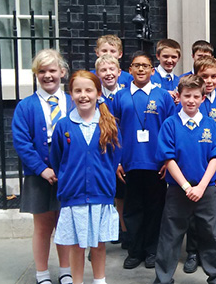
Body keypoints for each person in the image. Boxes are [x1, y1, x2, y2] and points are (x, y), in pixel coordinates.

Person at [153, 75, 216, 284]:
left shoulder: (210, 124)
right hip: (178, 190)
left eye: (196, 96)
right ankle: (163, 277)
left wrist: (201, 187)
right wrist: (186, 187)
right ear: (179, 96)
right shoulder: (170, 124)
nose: (191, 100)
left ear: (203, 98)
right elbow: (168, 158)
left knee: (210, 233)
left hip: (206, 190)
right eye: (187, 96)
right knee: (170, 234)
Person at [50, 71, 122, 284]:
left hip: (101, 193)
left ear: (98, 93)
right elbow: (57, 159)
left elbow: (115, 157)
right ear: (70, 94)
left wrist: (105, 179)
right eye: (78, 90)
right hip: (74, 195)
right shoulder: (64, 126)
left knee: (98, 244)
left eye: (89, 90)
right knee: (77, 245)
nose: (83, 95)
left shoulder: (108, 124)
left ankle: (100, 280)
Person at [12, 49, 73, 284]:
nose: (48, 76)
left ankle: (66, 271)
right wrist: (41, 169)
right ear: (36, 74)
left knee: (64, 223)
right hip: (39, 172)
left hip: (68, 170)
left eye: (52, 70)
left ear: (62, 72)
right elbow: (22, 142)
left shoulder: (72, 101)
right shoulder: (26, 106)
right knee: (43, 225)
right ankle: (42, 274)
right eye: (42, 71)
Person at [111, 50, 175, 270]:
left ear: (152, 70)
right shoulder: (119, 97)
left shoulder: (163, 96)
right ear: (129, 70)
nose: (140, 69)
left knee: (155, 208)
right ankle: (135, 251)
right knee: (132, 209)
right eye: (136, 65)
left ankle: (152, 250)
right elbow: (113, 131)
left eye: (145, 65)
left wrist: (168, 161)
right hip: (129, 164)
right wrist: (117, 161)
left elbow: (170, 130)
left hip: (156, 164)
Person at [183, 56, 216, 270]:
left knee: (210, 216)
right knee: (192, 214)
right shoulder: (190, 103)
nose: (209, 80)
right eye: (204, 76)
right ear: (195, 76)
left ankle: (211, 253)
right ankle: (192, 252)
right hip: (194, 169)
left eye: (213, 76)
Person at [94, 54, 127, 247]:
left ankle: (124, 233)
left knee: (123, 196)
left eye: (111, 69)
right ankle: (101, 236)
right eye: (103, 70)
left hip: (123, 154)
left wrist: (120, 160)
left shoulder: (125, 94)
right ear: (97, 74)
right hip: (103, 156)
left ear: (119, 72)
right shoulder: (96, 98)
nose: (108, 73)